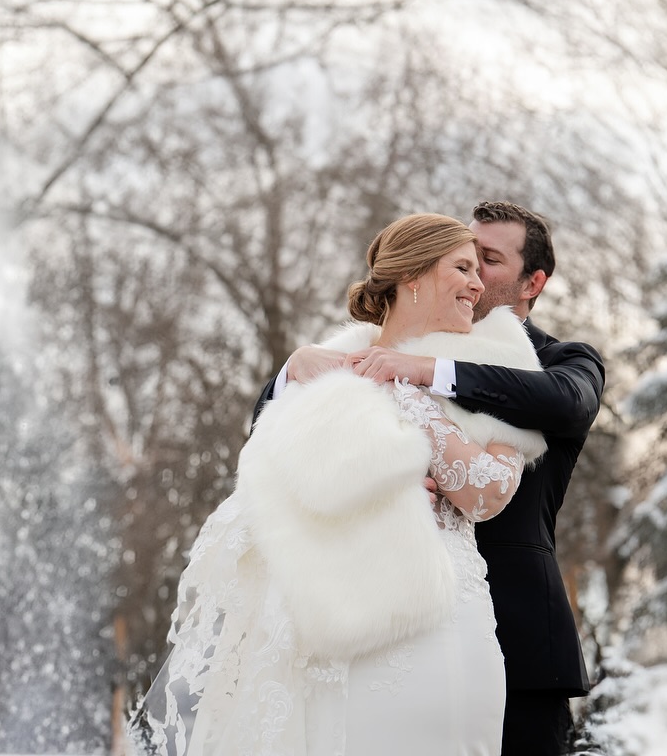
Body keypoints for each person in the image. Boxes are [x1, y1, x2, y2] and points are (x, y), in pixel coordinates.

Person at [133, 213, 550, 756]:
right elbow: (272, 498)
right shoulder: (328, 369)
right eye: (463, 268)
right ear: (413, 276)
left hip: (449, 622)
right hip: (340, 629)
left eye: (481, 268)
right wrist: (382, 487)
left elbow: (488, 492)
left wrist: (404, 387)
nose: (478, 284)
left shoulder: (497, 360)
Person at [256, 202, 605, 756]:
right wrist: (290, 370)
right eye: (464, 256)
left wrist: (426, 373)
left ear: (532, 283)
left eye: (489, 259)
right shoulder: (365, 348)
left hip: (515, 632)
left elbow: (566, 404)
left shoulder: (558, 361)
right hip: (377, 616)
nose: (475, 272)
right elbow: (277, 437)